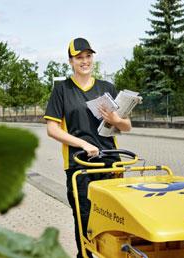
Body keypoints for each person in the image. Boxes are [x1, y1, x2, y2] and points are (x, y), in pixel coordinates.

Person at [43, 37, 132, 258]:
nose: (85, 61)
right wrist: (83, 144)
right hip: (79, 165)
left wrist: (114, 118)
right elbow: (52, 129)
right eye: (79, 57)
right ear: (70, 61)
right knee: (85, 217)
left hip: (110, 163)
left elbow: (127, 126)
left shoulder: (107, 88)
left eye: (88, 56)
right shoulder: (62, 90)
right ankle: (85, 255)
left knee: (115, 217)